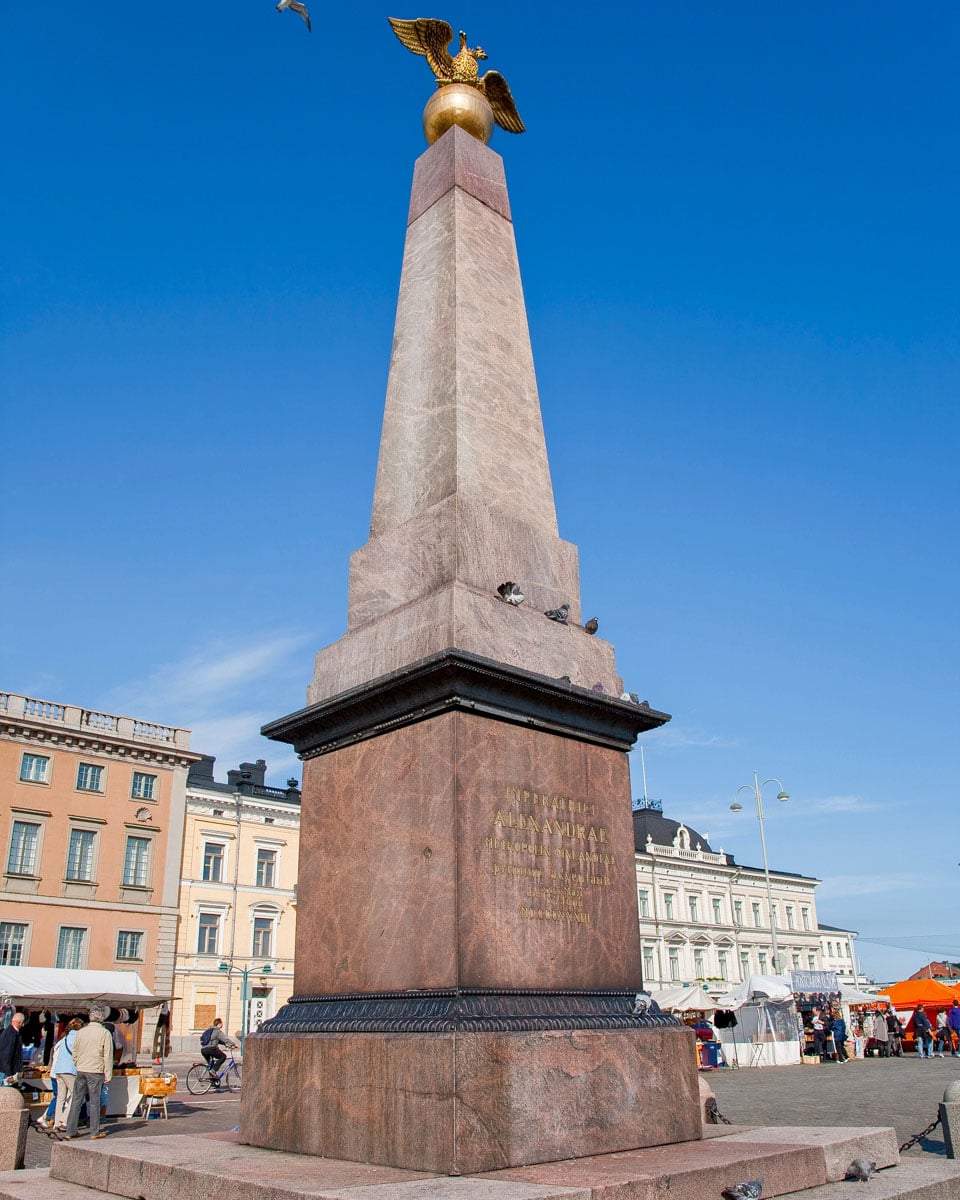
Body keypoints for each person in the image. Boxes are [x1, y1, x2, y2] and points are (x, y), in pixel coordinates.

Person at [63, 1005, 114, 1141]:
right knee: (94, 1101)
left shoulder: (81, 1032)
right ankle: (94, 1131)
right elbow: (108, 1055)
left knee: (76, 1100)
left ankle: (70, 1130)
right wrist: (108, 1074)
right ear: (102, 1018)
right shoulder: (104, 1033)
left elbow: (75, 1050)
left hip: (81, 1069)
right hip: (95, 1070)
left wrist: (77, 1062)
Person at [48, 1017, 83, 1130]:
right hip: (69, 1070)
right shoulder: (78, 1038)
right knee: (76, 1095)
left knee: (60, 1098)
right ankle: (64, 1120)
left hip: (58, 1070)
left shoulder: (64, 1038)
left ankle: (56, 1122)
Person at [200, 1018, 237, 1082]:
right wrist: (233, 1044)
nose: (222, 1024)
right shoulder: (217, 1031)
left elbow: (216, 1040)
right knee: (223, 1056)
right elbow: (225, 1039)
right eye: (222, 1023)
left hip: (203, 1050)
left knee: (211, 1064)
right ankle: (213, 1071)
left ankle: (214, 1082)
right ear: (219, 1024)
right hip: (211, 1049)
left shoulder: (209, 1030)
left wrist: (224, 1044)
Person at [0, 1012, 25, 1083]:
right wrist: (9, 1073)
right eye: (22, 1023)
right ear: (20, 1022)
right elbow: (6, 1054)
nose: (23, 1025)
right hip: (4, 1072)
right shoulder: (10, 1034)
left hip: (6, 1070)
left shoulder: (11, 1033)